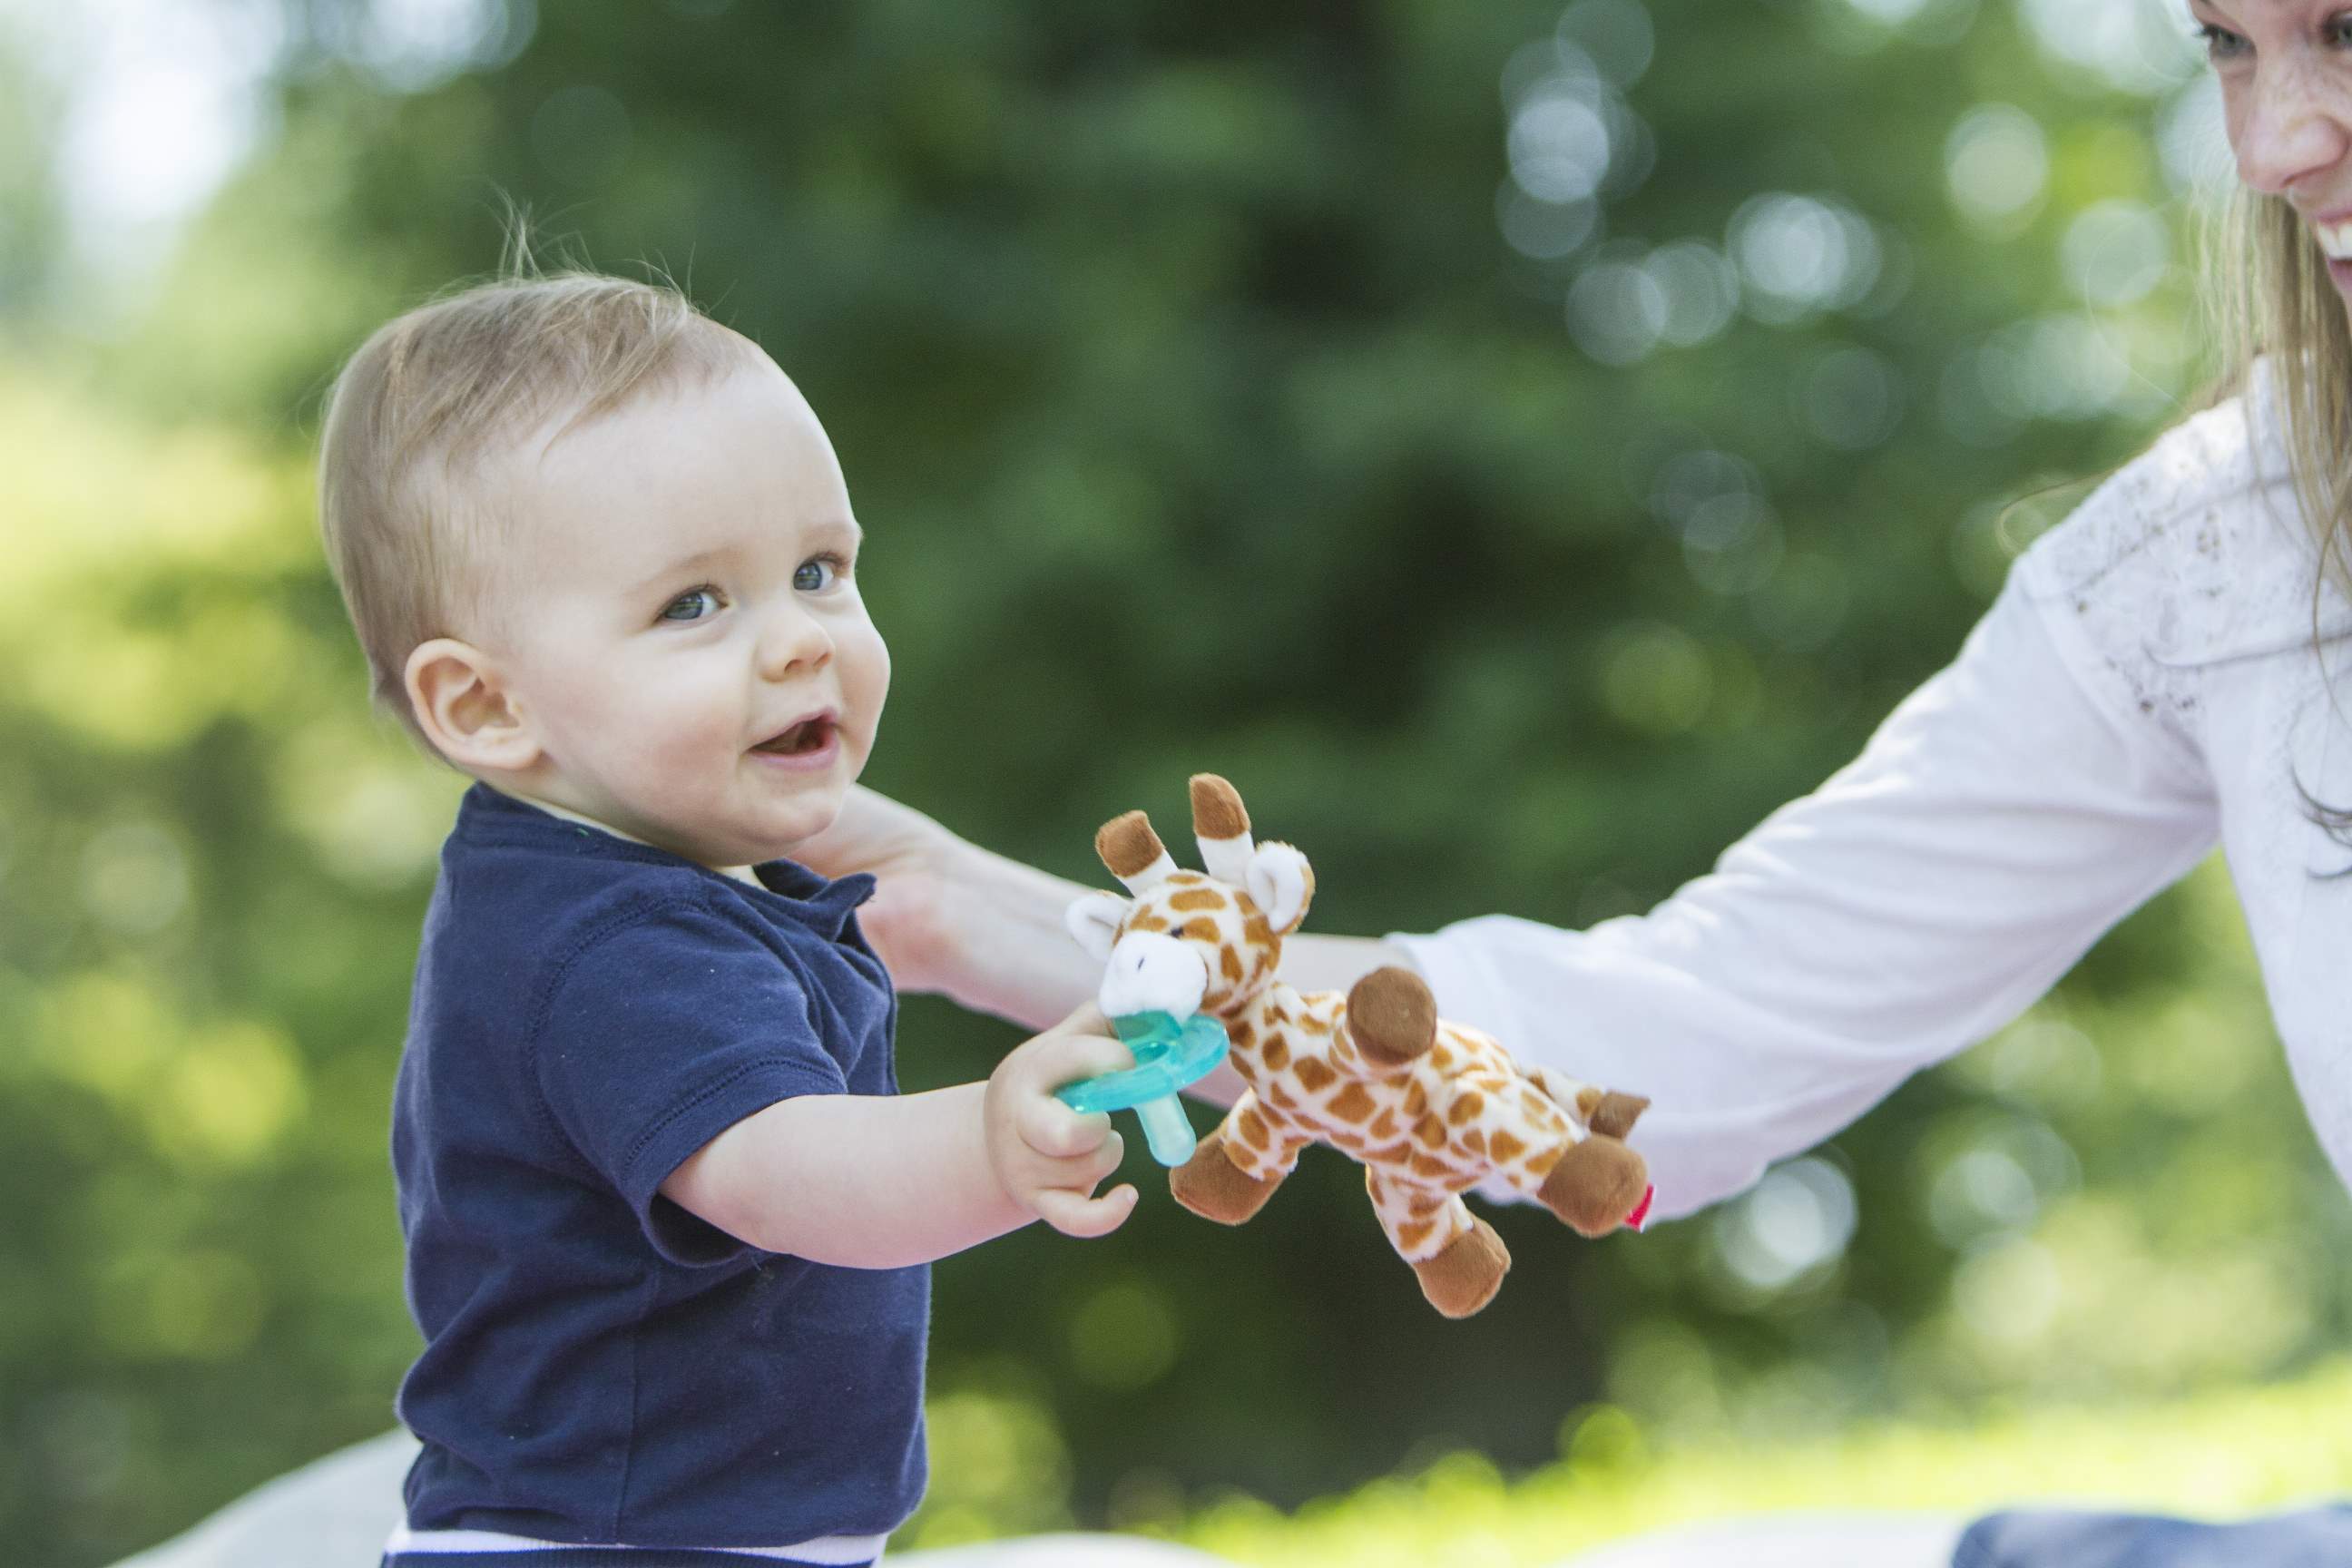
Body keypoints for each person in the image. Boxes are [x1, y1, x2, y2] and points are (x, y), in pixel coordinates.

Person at [787, 3, 2352, 1562]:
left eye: (2345, 32)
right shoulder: (2228, 543)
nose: (2276, 145)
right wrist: (965, 912)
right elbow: (1699, 1026)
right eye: (2224, 44)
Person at [312, 268, 1142, 1566]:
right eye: (693, 604)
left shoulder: (630, 881)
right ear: (487, 707)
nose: (802, 639)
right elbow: (787, 1170)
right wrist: (994, 1143)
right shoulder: (611, 945)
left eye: (819, 570)